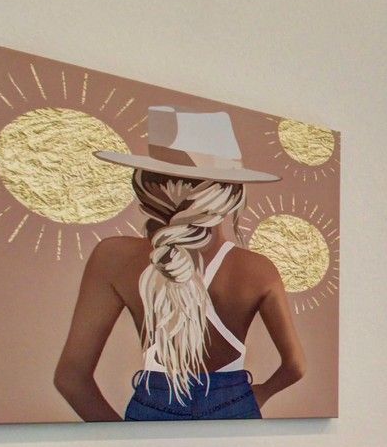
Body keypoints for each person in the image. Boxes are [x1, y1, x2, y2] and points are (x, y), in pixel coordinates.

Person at [54, 107, 306, 421]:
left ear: (147, 186)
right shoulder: (257, 270)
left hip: (152, 407)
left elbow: (70, 378)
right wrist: (262, 393)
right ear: (232, 193)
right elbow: (295, 367)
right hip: (235, 408)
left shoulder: (113, 256)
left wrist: (124, 441)